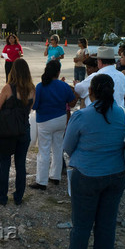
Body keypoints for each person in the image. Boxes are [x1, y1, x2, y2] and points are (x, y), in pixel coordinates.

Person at [63, 74, 125, 249]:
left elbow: (67, 147)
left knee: (81, 228)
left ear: (91, 92)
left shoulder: (81, 116)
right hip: (116, 175)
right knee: (106, 227)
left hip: (86, 176)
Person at [0, 59, 35, 205]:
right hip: (24, 130)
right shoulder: (32, 89)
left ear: (13, 71)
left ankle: (3, 197)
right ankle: (18, 197)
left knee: (5, 164)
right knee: (20, 165)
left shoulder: (8, 88)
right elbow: (28, 111)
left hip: (7, 132)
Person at [30, 60, 75, 190]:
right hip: (61, 119)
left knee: (44, 150)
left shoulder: (40, 86)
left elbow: (35, 105)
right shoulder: (63, 85)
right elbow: (71, 101)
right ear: (58, 71)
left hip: (45, 120)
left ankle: (41, 181)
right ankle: (55, 176)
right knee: (58, 148)